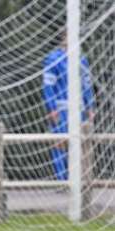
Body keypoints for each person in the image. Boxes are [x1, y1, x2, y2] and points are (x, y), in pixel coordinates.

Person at [42, 30, 95, 180]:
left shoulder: (81, 59)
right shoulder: (53, 59)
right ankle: (62, 180)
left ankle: (79, 180)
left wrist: (90, 107)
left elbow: (87, 85)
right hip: (60, 108)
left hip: (79, 109)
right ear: (63, 39)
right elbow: (48, 86)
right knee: (59, 143)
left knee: (79, 144)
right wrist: (51, 108)